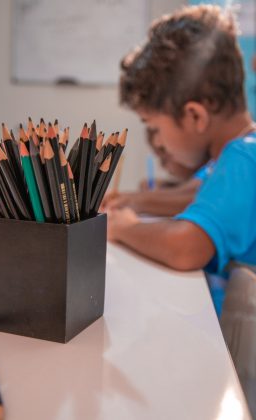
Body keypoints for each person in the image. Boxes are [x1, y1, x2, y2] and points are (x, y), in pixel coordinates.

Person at [107, 5, 256, 316]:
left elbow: (186, 247)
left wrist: (124, 228)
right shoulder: (236, 154)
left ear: (194, 116)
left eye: (154, 127)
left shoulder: (244, 159)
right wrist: (133, 200)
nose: (158, 142)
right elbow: (193, 195)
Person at [102, 127, 214, 216]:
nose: (162, 166)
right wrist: (166, 185)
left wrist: (136, 201)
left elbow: (197, 196)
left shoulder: (215, 163)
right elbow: (190, 187)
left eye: (165, 158)